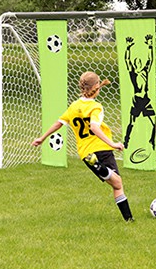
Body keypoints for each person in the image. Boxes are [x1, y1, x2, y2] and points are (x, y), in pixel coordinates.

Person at [31, 71, 134, 222]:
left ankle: (128, 219)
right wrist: (112, 143)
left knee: (116, 183)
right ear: (97, 87)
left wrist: (42, 137)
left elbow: (59, 123)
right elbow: (94, 126)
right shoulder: (96, 107)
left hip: (86, 153)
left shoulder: (74, 106)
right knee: (117, 184)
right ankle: (128, 219)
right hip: (102, 148)